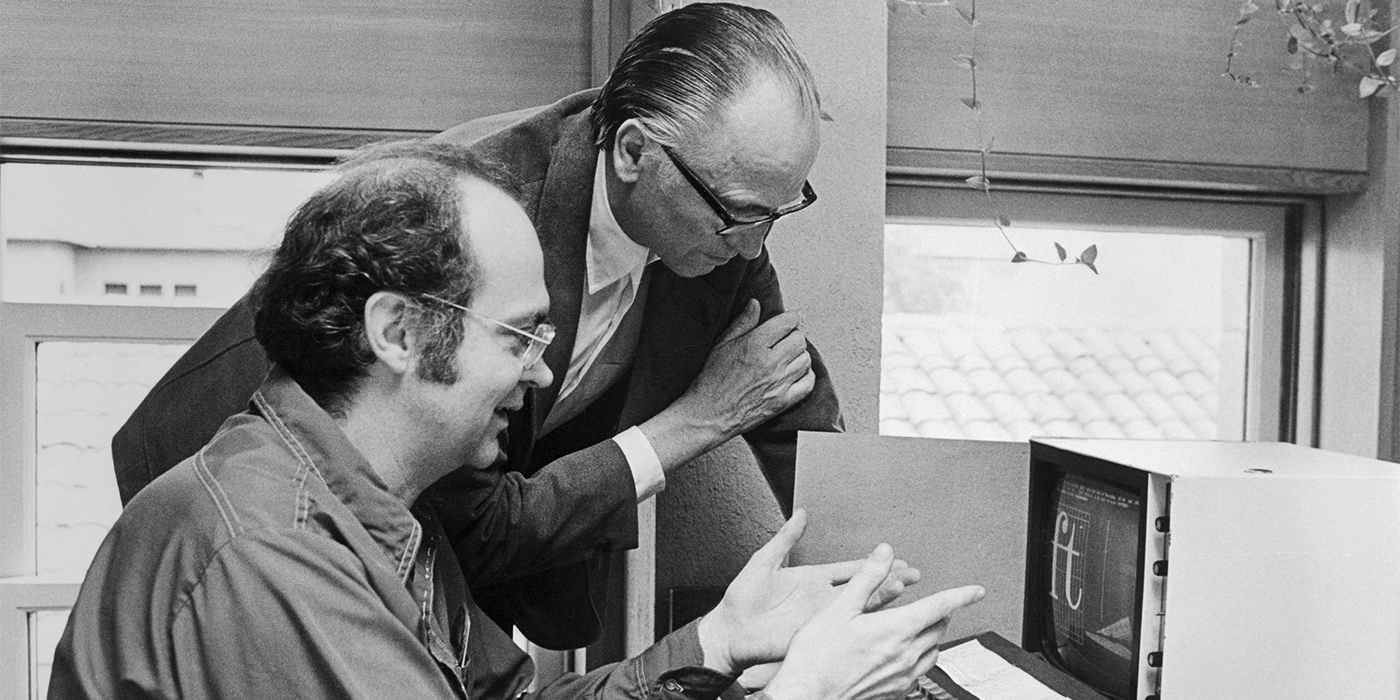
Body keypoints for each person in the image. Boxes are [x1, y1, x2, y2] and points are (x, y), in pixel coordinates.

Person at [49, 142, 983, 700]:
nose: (541, 376)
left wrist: (714, 645)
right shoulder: (267, 551)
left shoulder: (380, 512)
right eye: (519, 337)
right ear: (402, 332)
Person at [111, 3, 844, 649]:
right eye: (739, 213)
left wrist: (863, 576)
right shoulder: (474, 220)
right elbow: (482, 523)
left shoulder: (721, 229)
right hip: (248, 514)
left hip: (439, 543)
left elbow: (782, 390)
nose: (754, 242)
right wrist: (693, 422)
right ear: (633, 152)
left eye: (778, 211)